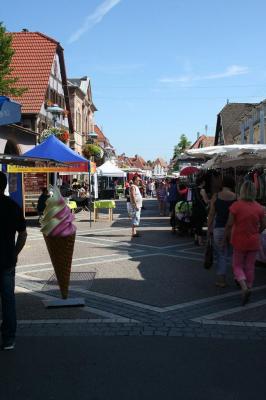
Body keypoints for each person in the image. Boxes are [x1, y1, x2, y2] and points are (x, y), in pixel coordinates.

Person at [225, 181, 266, 305]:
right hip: (254, 240)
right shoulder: (259, 207)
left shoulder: (236, 206)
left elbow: (230, 224)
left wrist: (225, 237)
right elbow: (264, 224)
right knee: (250, 266)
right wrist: (257, 232)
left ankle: (243, 286)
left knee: (237, 265)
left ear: (242, 191)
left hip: (239, 239)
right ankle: (249, 286)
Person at [0, 172, 27, 350]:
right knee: (8, 300)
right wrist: (15, 252)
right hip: (7, 260)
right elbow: (23, 234)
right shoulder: (13, 206)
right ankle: (9, 339)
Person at [207, 176, 236, 288]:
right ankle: (239, 277)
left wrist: (209, 228)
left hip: (219, 228)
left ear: (223, 184)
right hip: (233, 229)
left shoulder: (216, 196)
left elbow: (211, 214)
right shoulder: (236, 197)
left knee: (221, 255)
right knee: (234, 254)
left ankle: (221, 280)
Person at [191, 177, 209, 245]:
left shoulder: (193, 189)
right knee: (200, 225)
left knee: (196, 225)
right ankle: (200, 241)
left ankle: (196, 239)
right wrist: (211, 200)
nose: (205, 182)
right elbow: (206, 201)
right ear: (202, 182)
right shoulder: (202, 190)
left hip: (194, 208)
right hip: (200, 209)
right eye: (204, 181)